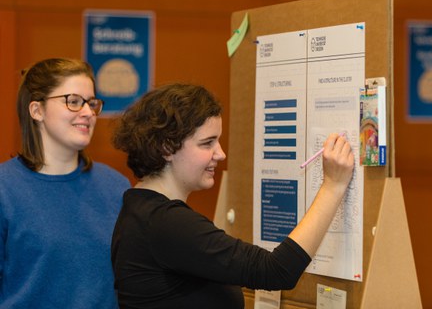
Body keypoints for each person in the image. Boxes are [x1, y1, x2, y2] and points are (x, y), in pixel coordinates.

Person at [111, 83, 354, 309]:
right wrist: (332, 186)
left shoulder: (140, 209)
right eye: (207, 143)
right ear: (166, 148)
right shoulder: (166, 223)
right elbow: (277, 271)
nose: (221, 154)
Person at [0, 58, 131, 308]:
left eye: (92, 103)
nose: (87, 113)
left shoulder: (116, 187)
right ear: (37, 110)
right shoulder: (5, 188)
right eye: (73, 101)